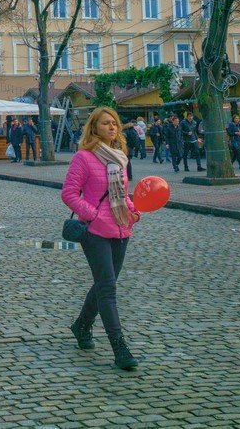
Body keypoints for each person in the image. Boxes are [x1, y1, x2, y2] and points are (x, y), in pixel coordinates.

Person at [61, 106, 140, 371]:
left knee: (104, 283)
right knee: (107, 288)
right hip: (94, 231)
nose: (112, 127)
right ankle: (119, 347)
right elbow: (69, 193)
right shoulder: (83, 158)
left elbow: (123, 194)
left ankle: (81, 325)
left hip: (121, 228)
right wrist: (92, 214)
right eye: (106, 123)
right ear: (94, 128)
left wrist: (132, 210)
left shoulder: (119, 158)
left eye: (115, 123)